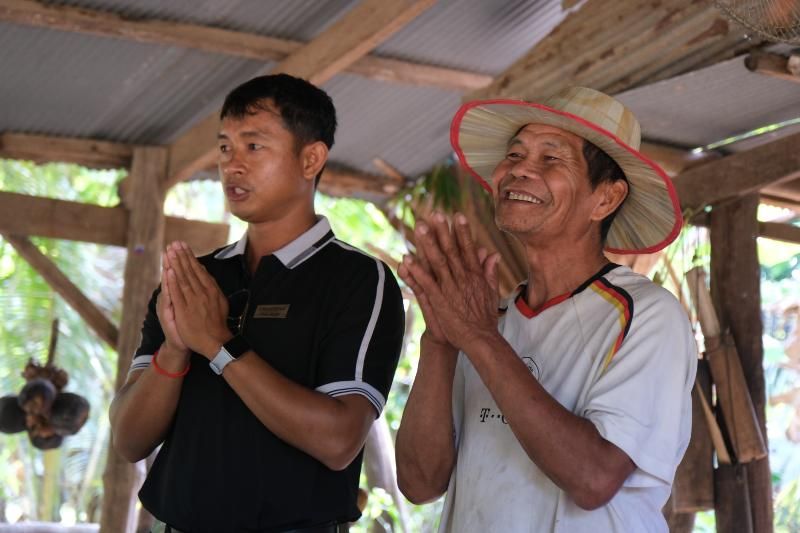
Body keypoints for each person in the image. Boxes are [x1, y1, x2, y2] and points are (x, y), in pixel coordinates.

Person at [109, 73, 405, 533]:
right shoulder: (194, 281)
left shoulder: (358, 280)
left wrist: (220, 345)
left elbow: (338, 440)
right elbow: (129, 441)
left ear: (311, 158)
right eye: (225, 147)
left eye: (254, 146)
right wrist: (174, 349)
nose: (233, 165)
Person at [395, 87, 697, 532]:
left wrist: (477, 339)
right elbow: (420, 484)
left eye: (551, 159)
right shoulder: (484, 319)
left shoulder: (648, 316)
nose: (519, 170)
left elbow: (593, 479)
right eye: (514, 154)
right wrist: (440, 341)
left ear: (605, 199)